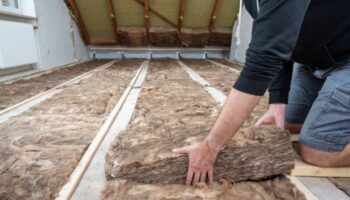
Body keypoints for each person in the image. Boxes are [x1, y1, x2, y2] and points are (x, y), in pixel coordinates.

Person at [173, 0, 350, 186]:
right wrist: (277, 103)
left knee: (317, 151)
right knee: (288, 123)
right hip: (316, 62)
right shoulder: (251, 3)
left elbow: (261, 65)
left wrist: (211, 145)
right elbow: (278, 41)